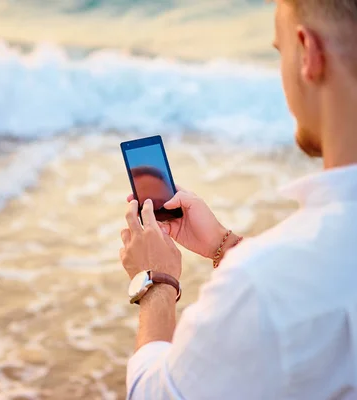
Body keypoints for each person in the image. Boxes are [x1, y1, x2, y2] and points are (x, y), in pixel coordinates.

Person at [119, 0, 357, 399]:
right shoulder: (285, 272)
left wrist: (156, 281)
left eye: (280, 53)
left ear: (308, 54)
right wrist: (224, 246)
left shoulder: (259, 283)